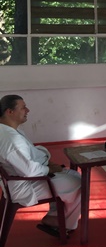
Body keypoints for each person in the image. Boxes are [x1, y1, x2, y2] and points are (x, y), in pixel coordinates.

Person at [0, 94, 81, 237]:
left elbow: (31, 153)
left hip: (20, 179)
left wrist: (46, 160)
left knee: (73, 175)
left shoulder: (8, 131)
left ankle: (55, 216)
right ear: (10, 112)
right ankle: (61, 222)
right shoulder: (11, 140)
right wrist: (49, 168)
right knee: (79, 183)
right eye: (23, 107)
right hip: (26, 186)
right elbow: (30, 170)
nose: (28, 110)